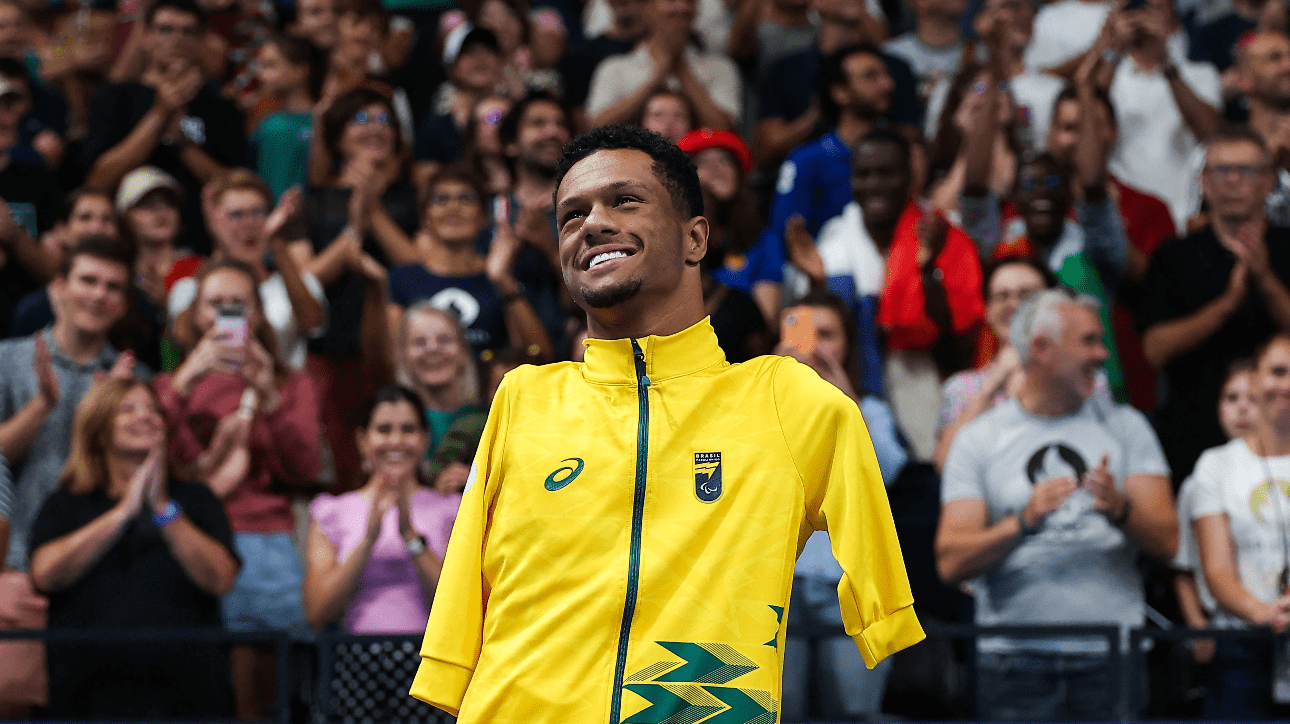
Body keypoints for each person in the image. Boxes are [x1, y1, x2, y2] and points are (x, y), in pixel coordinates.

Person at [409, 124, 924, 721]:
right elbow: (464, 591)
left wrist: (884, 617)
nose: (593, 223)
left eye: (624, 200)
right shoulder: (523, 397)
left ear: (695, 237)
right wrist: (449, 670)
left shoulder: (788, 400)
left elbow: (879, 575)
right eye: (571, 216)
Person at [937, 288, 1178, 721]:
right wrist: (1023, 523)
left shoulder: (1127, 427)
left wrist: (1121, 510)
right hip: (1013, 665)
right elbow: (951, 561)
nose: (1103, 354)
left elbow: (1168, 542)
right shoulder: (979, 440)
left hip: (1112, 659)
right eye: (1088, 340)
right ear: (1042, 349)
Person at [156, 259, 322, 719]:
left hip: (263, 541)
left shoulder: (292, 385)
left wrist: (268, 396)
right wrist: (185, 380)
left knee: (262, 699)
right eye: (216, 303)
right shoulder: (166, 386)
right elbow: (141, 458)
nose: (227, 313)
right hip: (183, 537)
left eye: (239, 304)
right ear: (194, 316)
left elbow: (306, 469)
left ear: (258, 316)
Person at [28, 378, 239, 720]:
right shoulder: (65, 504)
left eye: (153, 409)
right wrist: (122, 513)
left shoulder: (196, 500)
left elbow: (221, 579)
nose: (146, 416)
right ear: (98, 428)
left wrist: (162, 509)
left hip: (190, 700)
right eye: (127, 409)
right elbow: (45, 574)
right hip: (87, 700)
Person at [791, 129, 985, 460]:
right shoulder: (831, 244)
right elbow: (796, 343)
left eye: (886, 173)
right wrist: (815, 287)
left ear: (910, 178)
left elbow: (962, 348)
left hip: (926, 402)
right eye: (864, 174)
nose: (874, 184)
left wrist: (928, 271)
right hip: (849, 405)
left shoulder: (945, 237)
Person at [772, 289, 908, 720]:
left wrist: (843, 401)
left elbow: (885, 472)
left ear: (849, 344)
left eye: (827, 334)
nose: (815, 346)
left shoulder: (871, 410)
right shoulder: (756, 409)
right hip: (776, 586)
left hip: (849, 584)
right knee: (778, 711)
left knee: (856, 712)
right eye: (804, 332)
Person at [1139, 126, 1290, 483]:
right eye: (1221, 171)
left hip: (1284, 436)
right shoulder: (1173, 256)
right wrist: (1225, 305)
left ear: (1270, 181)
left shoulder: (1287, 248)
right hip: (1194, 437)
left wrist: (1265, 279)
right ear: (1204, 183)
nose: (1233, 181)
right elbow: (1154, 351)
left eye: (1247, 170)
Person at [81, 0, 246, 256]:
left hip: (201, 245)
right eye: (165, 29)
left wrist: (181, 141)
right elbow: (98, 179)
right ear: (145, 37)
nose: (177, 39)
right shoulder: (115, 98)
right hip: (127, 248)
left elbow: (234, 188)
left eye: (188, 31)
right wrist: (160, 114)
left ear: (202, 40)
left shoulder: (221, 106)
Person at [304, 384, 457, 634]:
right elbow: (316, 613)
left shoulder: (451, 510)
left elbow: (459, 608)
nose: (396, 441)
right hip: (359, 661)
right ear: (363, 440)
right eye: (383, 430)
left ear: (425, 439)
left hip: (434, 660)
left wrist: (410, 538)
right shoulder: (331, 512)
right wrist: (367, 542)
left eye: (408, 429)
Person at [1192, 334, 1290, 718]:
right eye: (1277, 371)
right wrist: (1266, 614)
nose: (1286, 385)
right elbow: (1216, 570)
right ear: (1255, 378)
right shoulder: (1216, 465)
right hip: (1243, 646)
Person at [168, 169, 326, 370]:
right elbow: (183, 335)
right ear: (214, 221)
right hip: (213, 395)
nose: (249, 224)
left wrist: (276, 240)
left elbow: (311, 322)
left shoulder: (296, 283)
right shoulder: (188, 287)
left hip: (282, 394)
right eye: (236, 215)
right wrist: (219, 244)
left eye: (258, 212)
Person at [387, 167, 552, 359]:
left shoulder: (501, 277)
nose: (453, 207)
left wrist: (502, 279)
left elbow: (540, 354)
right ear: (425, 218)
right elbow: (394, 358)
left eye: (466, 198)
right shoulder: (403, 278)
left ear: (483, 217)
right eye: (441, 199)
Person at [935, 257, 1064, 472]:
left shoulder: (1083, 377)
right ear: (987, 311)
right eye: (1001, 296)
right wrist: (990, 387)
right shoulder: (961, 387)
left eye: (1027, 295)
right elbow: (945, 466)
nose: (1013, 304)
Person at [1172, 358, 1258, 671]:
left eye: (1253, 398)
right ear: (1219, 408)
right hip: (1224, 629)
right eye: (1231, 398)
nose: (1243, 408)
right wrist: (1197, 625)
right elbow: (1183, 565)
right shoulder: (1202, 477)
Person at [585, 0, 741, 130]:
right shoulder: (614, 68)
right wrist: (657, 77)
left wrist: (679, 65)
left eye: (690, 1)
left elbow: (725, 129)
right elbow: (596, 126)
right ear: (647, 10)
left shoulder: (721, 67)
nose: (682, 7)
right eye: (671, 0)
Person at [411, 28, 504, 188]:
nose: (480, 58)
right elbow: (426, 184)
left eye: (488, 51)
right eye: (469, 52)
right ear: (452, 67)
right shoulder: (433, 128)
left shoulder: (517, 119)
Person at [395, 303, 484, 454]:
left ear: (464, 352)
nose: (432, 348)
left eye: (444, 340)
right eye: (419, 342)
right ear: (402, 356)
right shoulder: (392, 425)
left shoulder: (490, 418)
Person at [250, 35, 326, 200]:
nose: (261, 75)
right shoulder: (265, 122)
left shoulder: (323, 119)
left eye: (270, 66)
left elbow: (321, 177)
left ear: (300, 71)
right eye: (260, 66)